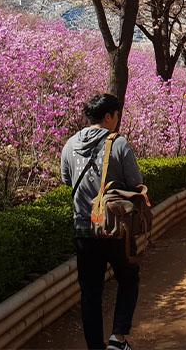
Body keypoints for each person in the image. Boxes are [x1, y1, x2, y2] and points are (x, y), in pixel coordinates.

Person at [60, 93, 143, 350]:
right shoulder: (118, 144)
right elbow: (136, 182)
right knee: (129, 277)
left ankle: (94, 346)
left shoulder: (69, 144)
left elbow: (66, 180)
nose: (118, 121)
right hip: (116, 229)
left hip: (84, 230)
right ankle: (117, 339)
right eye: (117, 116)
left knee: (91, 292)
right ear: (108, 116)